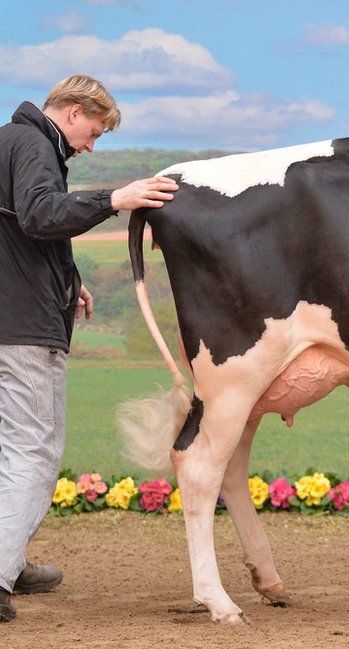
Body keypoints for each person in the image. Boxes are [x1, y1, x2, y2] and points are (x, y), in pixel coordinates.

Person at [0, 74, 179, 622]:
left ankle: (13, 557)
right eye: (94, 132)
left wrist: (67, 276)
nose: (91, 146)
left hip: (9, 312)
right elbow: (39, 214)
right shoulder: (34, 144)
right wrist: (115, 199)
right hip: (24, 327)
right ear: (73, 112)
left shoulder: (7, 140)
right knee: (35, 449)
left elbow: (18, 230)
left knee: (10, 448)